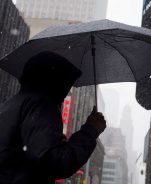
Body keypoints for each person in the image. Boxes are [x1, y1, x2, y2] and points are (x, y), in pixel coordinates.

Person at [0, 51, 106, 184]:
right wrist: (91, 130)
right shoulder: (41, 105)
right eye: (66, 84)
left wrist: (55, 143)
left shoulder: (12, 104)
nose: (66, 91)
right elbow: (56, 162)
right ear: (55, 82)